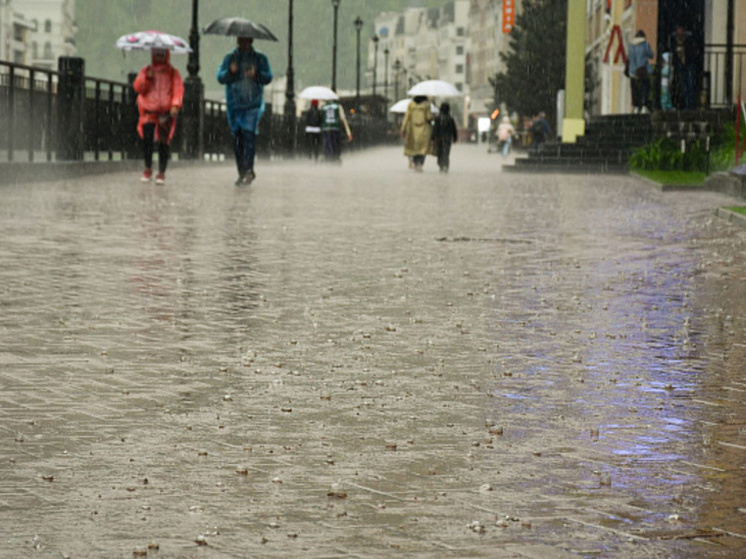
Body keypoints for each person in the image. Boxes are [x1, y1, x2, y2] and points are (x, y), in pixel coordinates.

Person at [217, 36, 273, 186]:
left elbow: (268, 76)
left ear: (251, 41)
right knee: (237, 139)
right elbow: (220, 77)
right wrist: (230, 71)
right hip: (234, 105)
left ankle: (248, 169)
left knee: (248, 136)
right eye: (241, 40)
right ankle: (242, 172)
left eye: (246, 41)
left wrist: (257, 75)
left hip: (252, 105)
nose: (243, 44)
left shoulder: (260, 58)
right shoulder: (230, 58)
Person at [133, 47, 183, 185]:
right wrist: (146, 79)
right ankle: (148, 168)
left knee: (163, 142)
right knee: (147, 140)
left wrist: (175, 105)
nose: (159, 57)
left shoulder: (173, 73)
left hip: (165, 113)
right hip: (148, 111)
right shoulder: (146, 71)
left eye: (162, 54)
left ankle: (161, 172)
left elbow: (178, 89)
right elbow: (138, 88)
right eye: (157, 54)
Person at [400, 96, 432, 171]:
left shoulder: (411, 105)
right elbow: (428, 117)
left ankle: (413, 161)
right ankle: (419, 164)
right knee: (422, 149)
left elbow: (406, 117)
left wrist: (403, 129)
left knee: (413, 147)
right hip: (424, 130)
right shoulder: (427, 105)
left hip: (412, 130)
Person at [627, 30, 654, 114]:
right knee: (645, 88)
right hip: (643, 71)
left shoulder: (630, 45)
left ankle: (636, 106)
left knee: (634, 89)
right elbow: (651, 55)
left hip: (632, 71)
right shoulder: (645, 44)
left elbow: (629, 57)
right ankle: (644, 105)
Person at [671, 25, 698, 110]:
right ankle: (684, 105)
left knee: (690, 86)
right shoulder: (674, 40)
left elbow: (692, 52)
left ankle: (690, 105)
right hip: (681, 66)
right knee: (683, 86)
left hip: (688, 64)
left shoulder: (689, 40)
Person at [320, 99, 352, 163]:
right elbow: (343, 119)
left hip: (326, 128)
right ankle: (336, 159)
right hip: (336, 128)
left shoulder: (323, 107)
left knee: (328, 145)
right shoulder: (338, 106)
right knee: (336, 144)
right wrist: (349, 133)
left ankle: (328, 159)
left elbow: (321, 118)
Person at [431, 102, 458, 173]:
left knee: (439, 153)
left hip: (439, 139)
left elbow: (434, 129)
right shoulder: (450, 119)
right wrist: (455, 138)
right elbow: (453, 129)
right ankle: (445, 165)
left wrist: (432, 138)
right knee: (446, 153)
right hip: (447, 139)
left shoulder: (437, 118)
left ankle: (441, 165)